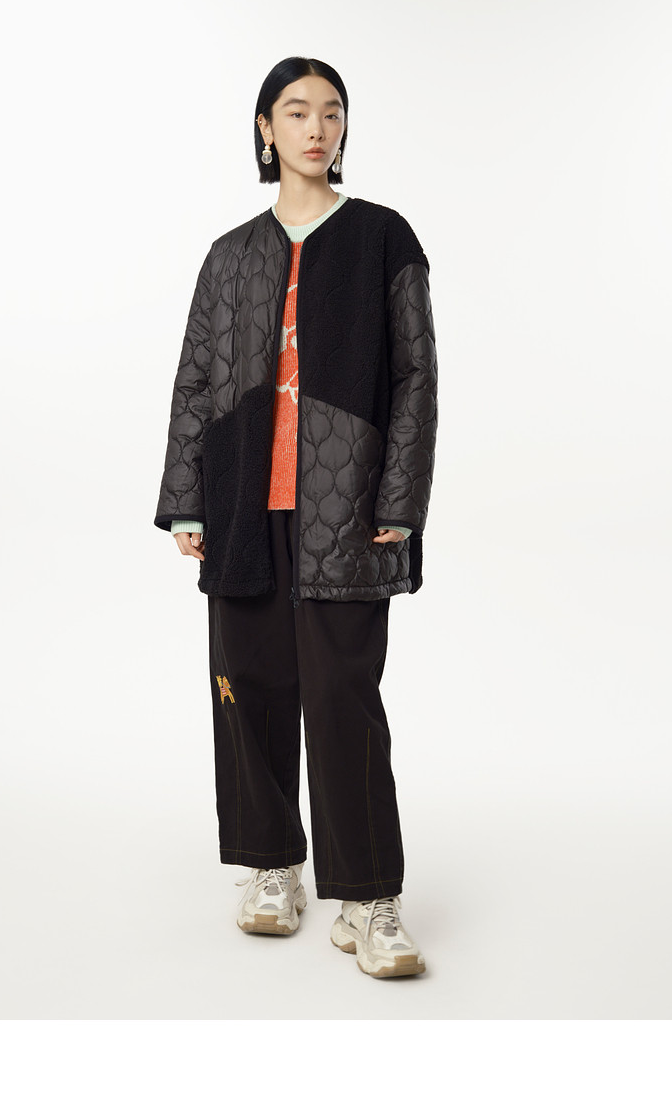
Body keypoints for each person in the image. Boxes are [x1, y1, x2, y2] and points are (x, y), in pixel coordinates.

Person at [153, 56, 438, 979]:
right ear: (265, 129)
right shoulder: (229, 255)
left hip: (345, 511)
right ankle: (273, 866)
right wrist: (186, 497)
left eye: (332, 113)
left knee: (345, 700)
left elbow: (416, 381)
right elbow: (195, 381)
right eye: (297, 112)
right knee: (249, 688)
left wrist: (399, 501)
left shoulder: (383, 238)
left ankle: (370, 897)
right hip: (244, 506)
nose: (317, 128)